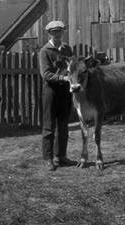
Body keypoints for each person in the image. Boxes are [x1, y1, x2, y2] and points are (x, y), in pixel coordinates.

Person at [39, 20, 74, 171]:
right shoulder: (45, 51)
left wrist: (72, 76)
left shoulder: (67, 49)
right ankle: (48, 158)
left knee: (63, 125)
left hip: (65, 92)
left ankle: (61, 156)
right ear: (49, 34)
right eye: (54, 32)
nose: (57, 35)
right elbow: (46, 74)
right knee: (49, 126)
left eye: (59, 32)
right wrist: (62, 78)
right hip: (51, 92)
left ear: (62, 33)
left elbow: (72, 67)